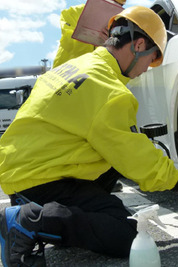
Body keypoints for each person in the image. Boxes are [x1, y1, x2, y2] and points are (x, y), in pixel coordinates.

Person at [0, 6, 178, 267]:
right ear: (139, 44)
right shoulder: (109, 92)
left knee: (108, 172)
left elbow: (71, 22)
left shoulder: (74, 66)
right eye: (151, 58)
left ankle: (42, 213)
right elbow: (135, 157)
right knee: (126, 235)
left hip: (23, 171)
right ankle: (30, 220)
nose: (147, 68)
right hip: (39, 178)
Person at [54, 0, 125, 192]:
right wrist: (93, 38)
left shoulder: (119, 20)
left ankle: (96, 188)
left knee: (99, 143)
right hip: (70, 85)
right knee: (72, 142)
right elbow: (70, 42)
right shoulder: (77, 12)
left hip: (93, 90)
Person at [52, 0, 126, 68]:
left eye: (119, 5)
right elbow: (68, 36)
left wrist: (111, 43)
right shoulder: (76, 11)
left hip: (91, 73)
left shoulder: (119, 26)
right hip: (65, 68)